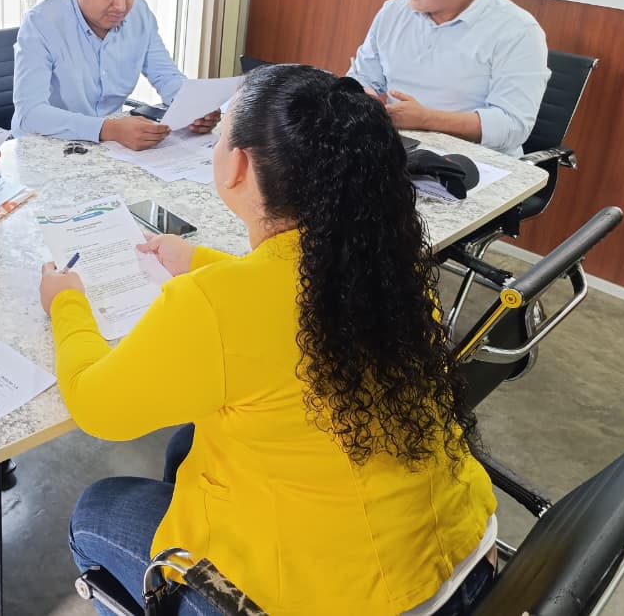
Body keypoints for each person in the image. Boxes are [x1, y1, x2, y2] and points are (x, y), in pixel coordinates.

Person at [40, 63, 497, 616]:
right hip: (460, 559)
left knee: (96, 511)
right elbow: (293, 297)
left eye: (220, 133)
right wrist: (200, 259)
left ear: (238, 164)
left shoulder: (213, 305)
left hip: (333, 601)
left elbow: (97, 407)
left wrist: (65, 303)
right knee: (187, 445)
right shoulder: (385, 264)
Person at [348, 0, 549, 156]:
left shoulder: (517, 31)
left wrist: (427, 119)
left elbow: (513, 126)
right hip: (399, 148)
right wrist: (363, 96)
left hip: (477, 160)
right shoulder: (394, 12)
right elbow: (362, 76)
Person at [11, 0, 219, 151]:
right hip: (45, 148)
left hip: (110, 149)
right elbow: (30, 114)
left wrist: (193, 107)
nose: (121, 6)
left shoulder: (140, 14)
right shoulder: (42, 22)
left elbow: (167, 78)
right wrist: (107, 129)